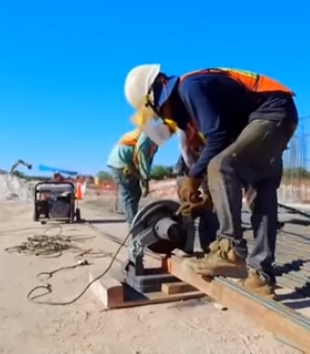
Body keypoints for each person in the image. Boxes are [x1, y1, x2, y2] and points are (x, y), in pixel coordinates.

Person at [123, 65, 298, 297]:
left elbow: (218, 140)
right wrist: (207, 199)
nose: (162, 117)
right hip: (280, 114)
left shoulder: (190, 88)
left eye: (158, 110)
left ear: (160, 90)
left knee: (221, 166)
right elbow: (219, 145)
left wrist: (192, 177)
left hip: (271, 113)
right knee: (260, 189)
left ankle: (230, 251)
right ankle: (262, 276)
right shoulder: (188, 112)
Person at [175, 129, 219, 253]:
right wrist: (193, 179)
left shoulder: (217, 129)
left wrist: (208, 198)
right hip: (188, 168)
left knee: (210, 211)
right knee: (187, 209)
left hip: (210, 167)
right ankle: (186, 247)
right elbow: (185, 150)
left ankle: (208, 248)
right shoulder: (185, 126)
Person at [107, 128, 158, 226]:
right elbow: (141, 152)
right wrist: (145, 179)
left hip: (127, 164)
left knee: (136, 193)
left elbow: (148, 160)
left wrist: (144, 184)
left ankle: (134, 222)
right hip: (121, 164)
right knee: (129, 195)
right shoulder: (148, 134)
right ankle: (133, 227)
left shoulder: (154, 141)